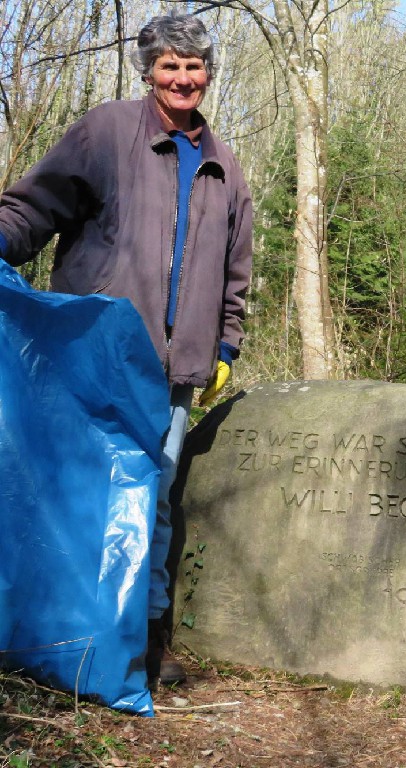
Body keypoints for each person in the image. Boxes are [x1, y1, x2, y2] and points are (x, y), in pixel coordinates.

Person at [0, 14, 253, 690]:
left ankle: (142, 639)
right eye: (170, 66)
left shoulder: (226, 170)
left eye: (194, 67)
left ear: (208, 75)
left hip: (175, 372)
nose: (183, 79)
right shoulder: (107, 132)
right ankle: (53, 632)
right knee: (79, 490)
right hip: (95, 356)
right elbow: (33, 209)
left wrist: (224, 344)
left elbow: (237, 273)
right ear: (149, 71)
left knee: (154, 502)